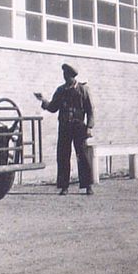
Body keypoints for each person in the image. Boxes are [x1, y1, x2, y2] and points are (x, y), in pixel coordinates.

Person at [35, 63, 95, 195]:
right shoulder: (61, 91)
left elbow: (90, 110)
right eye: (64, 75)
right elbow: (53, 107)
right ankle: (64, 186)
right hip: (64, 127)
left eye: (67, 75)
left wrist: (89, 127)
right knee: (63, 156)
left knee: (83, 156)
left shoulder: (83, 90)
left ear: (72, 76)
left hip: (79, 127)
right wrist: (43, 100)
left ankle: (88, 185)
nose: (65, 77)